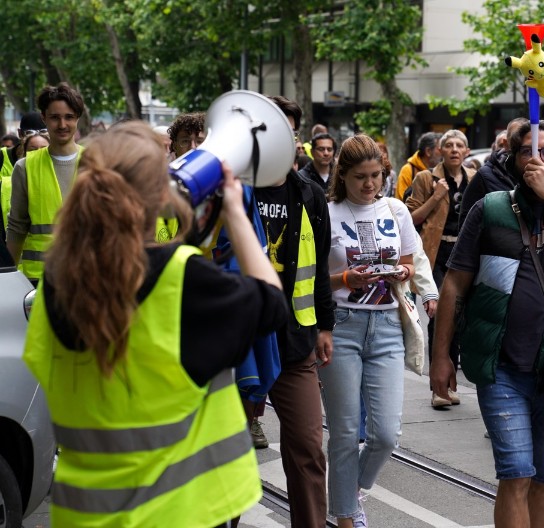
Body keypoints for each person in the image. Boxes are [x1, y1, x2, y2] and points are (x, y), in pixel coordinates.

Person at [22, 120, 288, 527]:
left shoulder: (58, 280)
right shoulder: (183, 280)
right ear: (159, 197)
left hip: (84, 516)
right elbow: (271, 302)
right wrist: (234, 211)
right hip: (181, 513)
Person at [431, 119, 544, 528]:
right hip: (502, 368)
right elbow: (454, 286)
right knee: (516, 474)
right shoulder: (489, 209)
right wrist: (441, 358)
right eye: (528, 151)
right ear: (512, 159)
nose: (537, 159)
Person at [215, 94, 335, 528]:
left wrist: (325, 325)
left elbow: (319, 265)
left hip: (294, 342)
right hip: (238, 345)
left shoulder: (310, 194)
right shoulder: (228, 191)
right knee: (224, 451)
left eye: (287, 131)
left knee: (307, 448)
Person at [322, 134, 417, 527]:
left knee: (385, 435)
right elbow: (307, 279)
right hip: (341, 327)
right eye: (360, 176)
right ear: (342, 175)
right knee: (344, 433)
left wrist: (402, 272)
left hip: (387, 327)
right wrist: (345, 277)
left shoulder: (396, 211)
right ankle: (346, 515)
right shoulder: (326, 213)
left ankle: (350, 491)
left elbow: (410, 264)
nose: (369, 184)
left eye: (376, 175)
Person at [405, 129, 474, 407]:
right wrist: (436, 197)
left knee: (458, 317)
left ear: (466, 152)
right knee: (438, 315)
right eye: (449, 145)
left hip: (466, 253)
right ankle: (438, 388)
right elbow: (410, 218)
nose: (455, 149)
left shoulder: (474, 179)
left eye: (460, 145)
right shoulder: (426, 178)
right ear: (440, 151)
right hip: (436, 253)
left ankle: (451, 382)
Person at [6, 83, 85, 283]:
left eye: (69, 117)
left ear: (78, 118)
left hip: (86, 277)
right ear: (44, 118)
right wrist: (7, 278)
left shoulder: (97, 163)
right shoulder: (25, 168)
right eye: (55, 117)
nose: (62, 125)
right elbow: (16, 228)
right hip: (38, 280)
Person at [459, 117, 529, 227]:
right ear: (506, 143)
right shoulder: (485, 176)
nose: (523, 145)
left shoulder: (542, 173)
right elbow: (467, 224)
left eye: (528, 139)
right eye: (517, 139)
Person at [395, 131, 441, 200]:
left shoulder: (441, 170)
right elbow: (402, 200)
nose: (443, 152)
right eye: (439, 148)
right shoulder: (408, 170)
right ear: (428, 151)